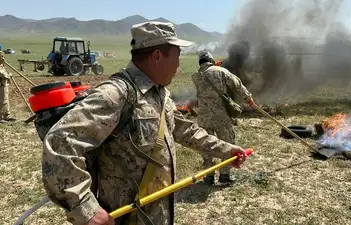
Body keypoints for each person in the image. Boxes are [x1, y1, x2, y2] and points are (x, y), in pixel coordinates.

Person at [41, 21, 249, 225]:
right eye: (177, 56)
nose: (178, 64)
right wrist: (86, 211)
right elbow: (60, 142)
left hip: (157, 214)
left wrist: (226, 150)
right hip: (125, 218)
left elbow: (186, 130)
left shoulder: (161, 94)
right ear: (158, 56)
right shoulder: (117, 94)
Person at [191, 51, 253, 185]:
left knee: (206, 145)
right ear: (211, 60)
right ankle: (224, 176)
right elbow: (236, 83)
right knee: (227, 143)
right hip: (220, 116)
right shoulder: (219, 70)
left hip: (203, 117)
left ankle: (208, 176)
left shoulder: (195, 76)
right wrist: (248, 98)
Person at [0, 51, 16, 123]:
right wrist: (8, 75)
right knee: (1, 101)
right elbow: (2, 74)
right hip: (1, 85)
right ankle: (0, 117)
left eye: (3, 56)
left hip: (5, 85)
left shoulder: (1, 65)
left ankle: (7, 115)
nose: (3, 58)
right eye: (1, 57)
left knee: (6, 100)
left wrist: (9, 74)